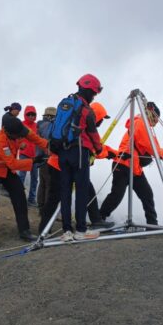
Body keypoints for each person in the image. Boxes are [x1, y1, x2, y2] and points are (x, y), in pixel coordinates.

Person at [99, 102, 163, 226]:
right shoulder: (141, 123)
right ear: (151, 115)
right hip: (123, 164)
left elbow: (154, 147)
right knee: (117, 195)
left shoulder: (143, 125)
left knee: (147, 194)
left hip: (135, 168)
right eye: (156, 119)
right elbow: (152, 148)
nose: (156, 123)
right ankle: (100, 217)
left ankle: (152, 223)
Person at [37, 102, 116, 235]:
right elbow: (92, 149)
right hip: (61, 166)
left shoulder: (76, 124)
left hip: (59, 164)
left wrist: (110, 151)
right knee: (55, 198)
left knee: (86, 191)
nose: (101, 122)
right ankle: (44, 230)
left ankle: (45, 229)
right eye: (101, 119)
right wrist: (109, 153)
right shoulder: (84, 129)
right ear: (96, 117)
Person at [0, 116, 49, 250]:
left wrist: (47, 145)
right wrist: (33, 161)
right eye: (16, 136)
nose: (19, 136)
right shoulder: (0, 140)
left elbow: (34, 137)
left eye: (20, 135)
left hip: (7, 171)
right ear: (6, 131)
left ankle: (24, 231)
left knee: (20, 197)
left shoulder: (20, 128)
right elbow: (12, 163)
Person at [55, 74, 104, 241]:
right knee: (81, 190)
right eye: (94, 93)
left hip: (63, 152)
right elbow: (92, 132)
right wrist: (98, 149)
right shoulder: (85, 109)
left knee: (66, 191)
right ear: (90, 91)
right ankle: (81, 230)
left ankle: (67, 231)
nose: (94, 96)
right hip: (79, 152)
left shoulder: (65, 104)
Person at [17, 105, 39, 207]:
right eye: (29, 114)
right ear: (25, 115)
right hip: (24, 155)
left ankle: (31, 199)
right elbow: (16, 138)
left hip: (35, 157)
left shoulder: (37, 126)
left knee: (34, 178)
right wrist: (20, 146)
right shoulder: (21, 124)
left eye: (33, 114)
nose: (31, 116)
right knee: (22, 176)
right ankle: (19, 197)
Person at [35, 106, 56, 208]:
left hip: (40, 157)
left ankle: (40, 204)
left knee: (42, 182)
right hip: (47, 158)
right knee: (49, 183)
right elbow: (48, 140)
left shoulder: (40, 125)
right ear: (51, 116)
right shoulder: (49, 125)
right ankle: (47, 207)